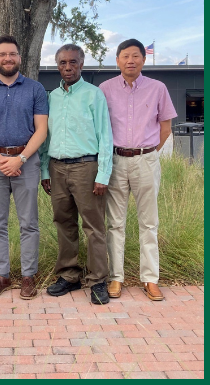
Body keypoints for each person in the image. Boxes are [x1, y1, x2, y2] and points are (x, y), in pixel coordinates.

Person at [98, 38, 177, 302]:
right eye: (125, 56)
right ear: (117, 60)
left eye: (135, 56)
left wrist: (150, 152)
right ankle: (116, 277)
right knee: (115, 223)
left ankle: (150, 279)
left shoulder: (158, 88)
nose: (130, 61)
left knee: (149, 222)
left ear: (143, 59)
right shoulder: (105, 89)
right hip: (116, 161)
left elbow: (165, 128)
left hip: (146, 159)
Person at [0, 35, 49, 300]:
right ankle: (2, 276)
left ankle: (28, 276)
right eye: (3, 54)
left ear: (19, 57)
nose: (8, 58)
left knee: (29, 222)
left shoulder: (35, 89)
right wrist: (0, 160)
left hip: (26, 162)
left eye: (12, 54)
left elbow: (41, 130)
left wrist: (21, 159)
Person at [39, 44, 113, 305]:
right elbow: (46, 137)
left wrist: (103, 173)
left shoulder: (94, 95)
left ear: (81, 64)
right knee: (63, 222)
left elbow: (105, 136)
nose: (67, 67)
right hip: (57, 168)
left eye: (72, 62)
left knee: (93, 226)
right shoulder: (51, 98)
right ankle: (69, 276)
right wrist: (44, 170)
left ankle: (98, 280)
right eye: (62, 63)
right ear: (57, 65)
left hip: (86, 167)